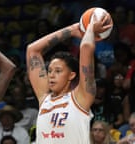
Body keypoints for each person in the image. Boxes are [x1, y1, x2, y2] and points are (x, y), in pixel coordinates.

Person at [26, 11, 112, 143]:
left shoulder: (81, 98)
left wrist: (89, 28)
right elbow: (32, 50)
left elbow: (86, 47)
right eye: (49, 71)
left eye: (58, 71)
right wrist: (71, 30)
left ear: (71, 75)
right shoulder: (44, 98)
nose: (51, 75)